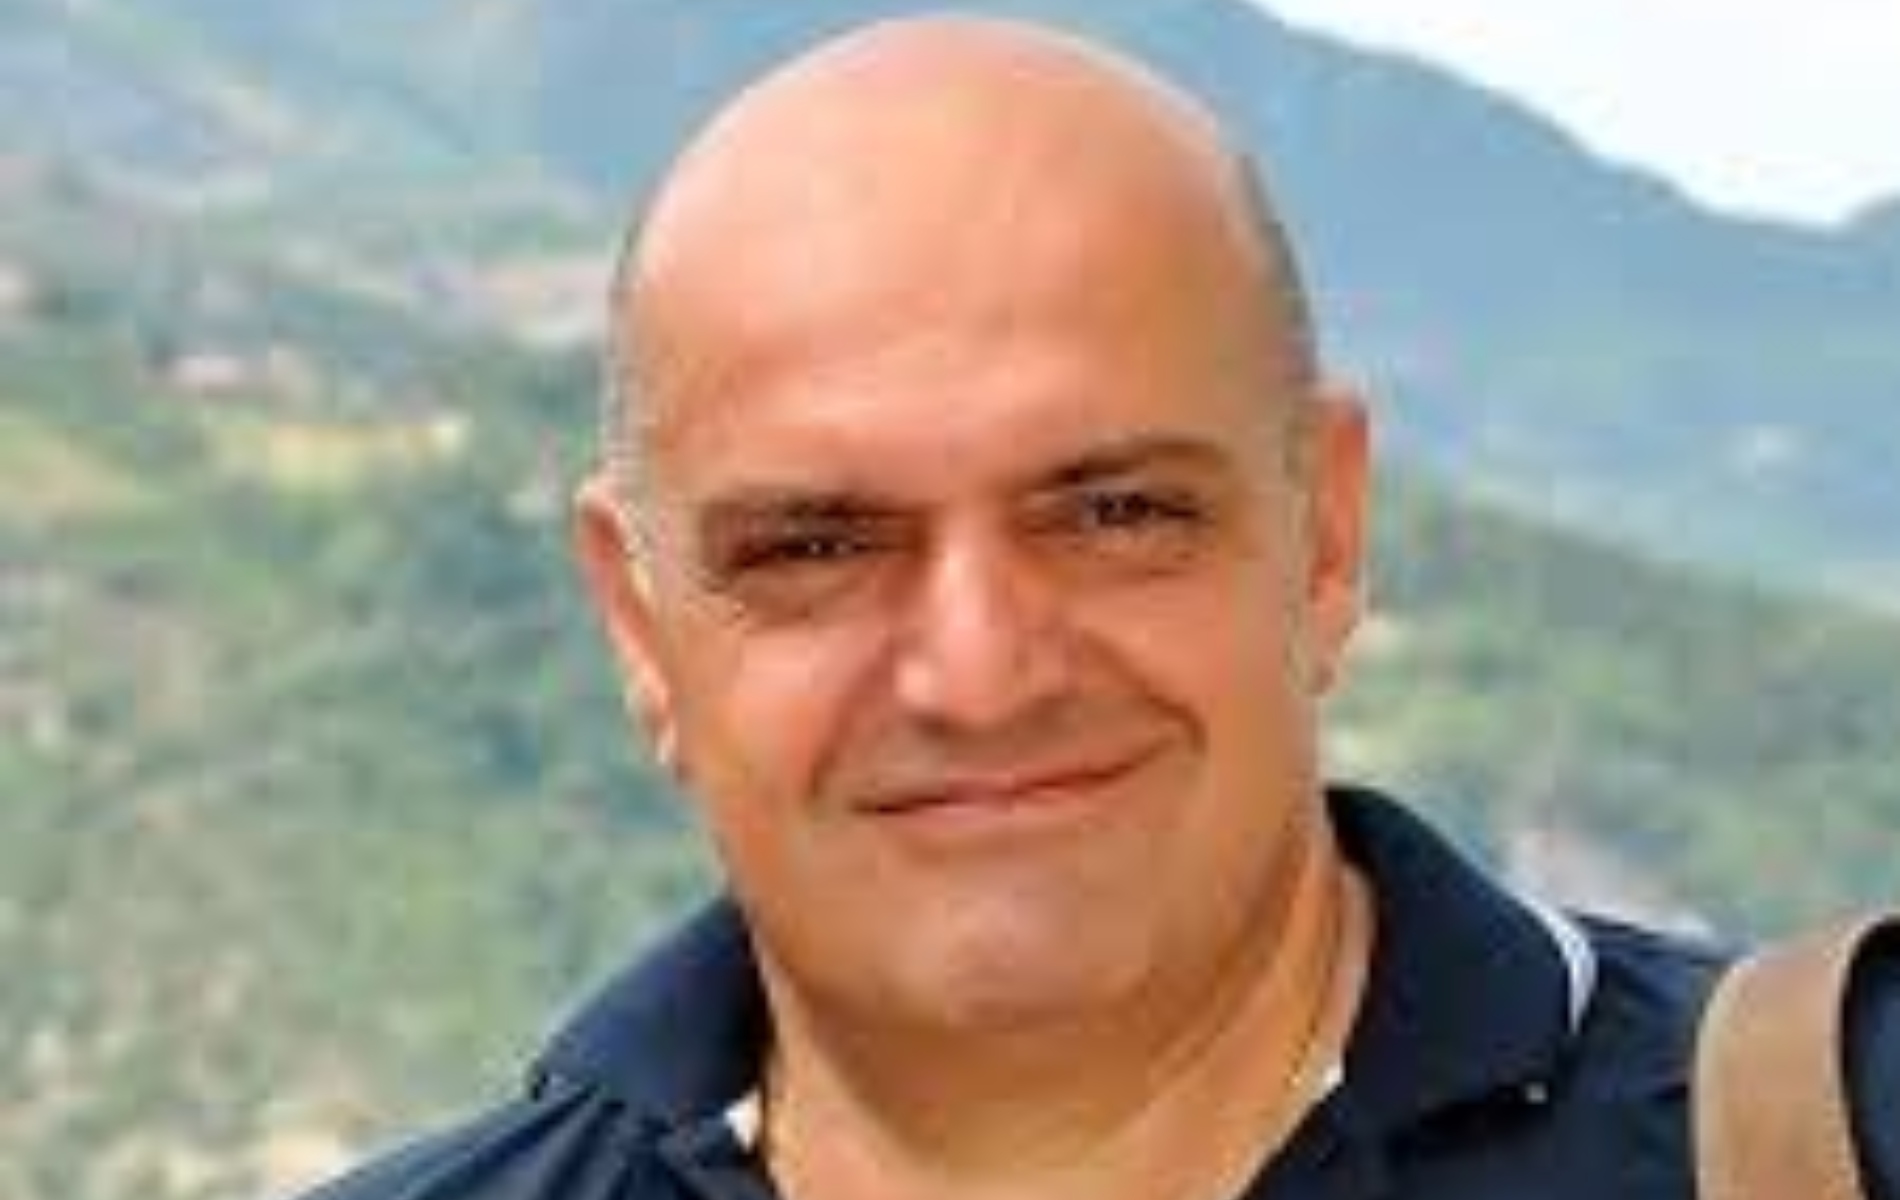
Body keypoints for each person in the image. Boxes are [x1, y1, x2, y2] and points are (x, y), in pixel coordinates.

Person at [301, 14, 1898, 1200]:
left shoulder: (1832, 1136)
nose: (980, 674)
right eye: (818, 547)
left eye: (1115, 513)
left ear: (1326, 532)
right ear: (641, 626)